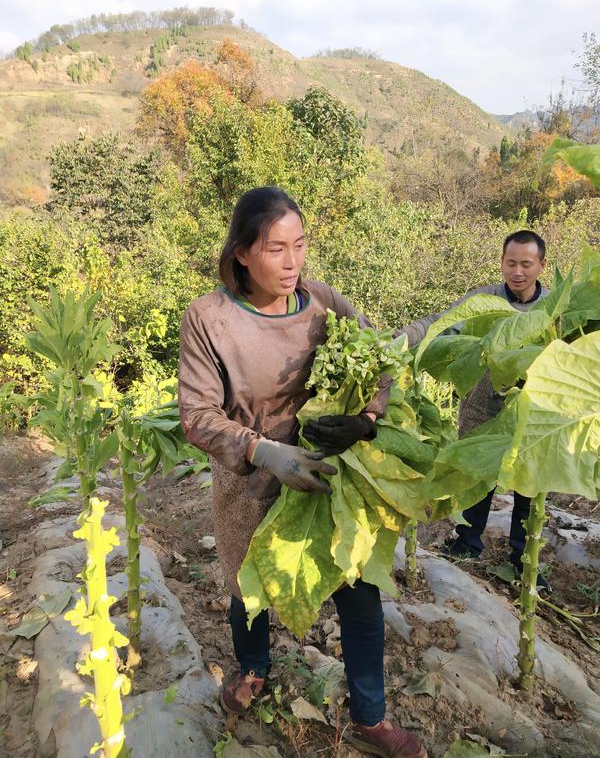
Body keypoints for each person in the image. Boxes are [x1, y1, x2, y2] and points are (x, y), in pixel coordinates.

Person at [179, 186, 427, 758]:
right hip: (251, 478)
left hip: (329, 476)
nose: (292, 263)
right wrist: (264, 451)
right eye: (275, 249)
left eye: (300, 246)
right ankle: (254, 670)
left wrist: (366, 419)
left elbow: (380, 362)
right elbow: (196, 416)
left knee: (358, 592)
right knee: (249, 586)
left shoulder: (323, 303)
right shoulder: (210, 319)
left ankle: (370, 715)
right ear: (242, 253)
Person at [399, 230, 549, 587]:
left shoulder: (554, 308)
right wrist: (402, 340)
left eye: (526, 264)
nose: (518, 272)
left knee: (529, 482)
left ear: (541, 265)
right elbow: (442, 323)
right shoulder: (486, 301)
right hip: (484, 406)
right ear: (502, 263)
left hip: (534, 411)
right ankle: (468, 542)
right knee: (476, 477)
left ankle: (523, 558)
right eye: (510, 263)